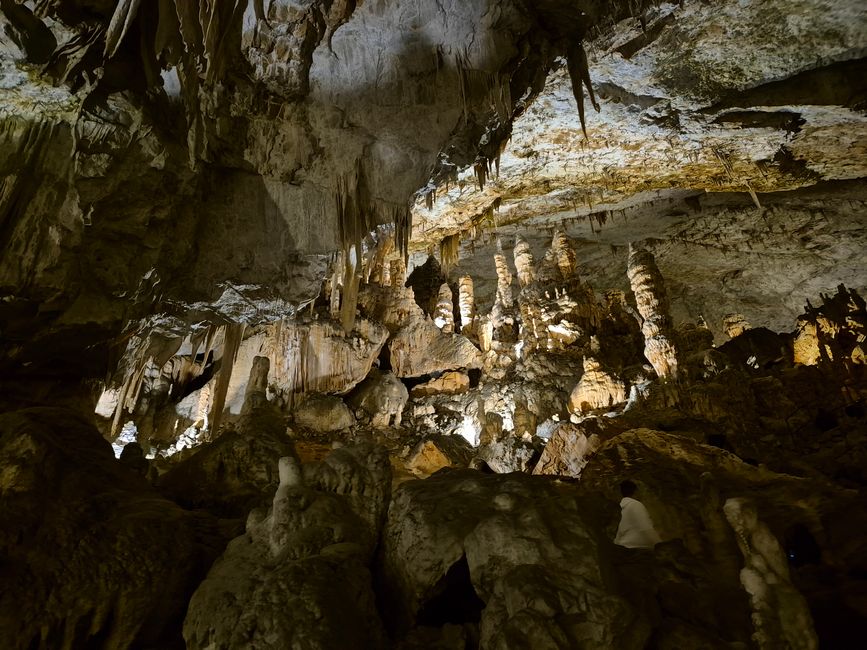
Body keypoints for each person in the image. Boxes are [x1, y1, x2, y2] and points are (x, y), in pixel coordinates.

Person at [614, 480, 661, 549]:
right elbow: (645, 528)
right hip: (637, 548)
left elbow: (618, 533)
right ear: (635, 491)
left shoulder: (620, 507)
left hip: (624, 548)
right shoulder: (635, 505)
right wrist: (659, 544)